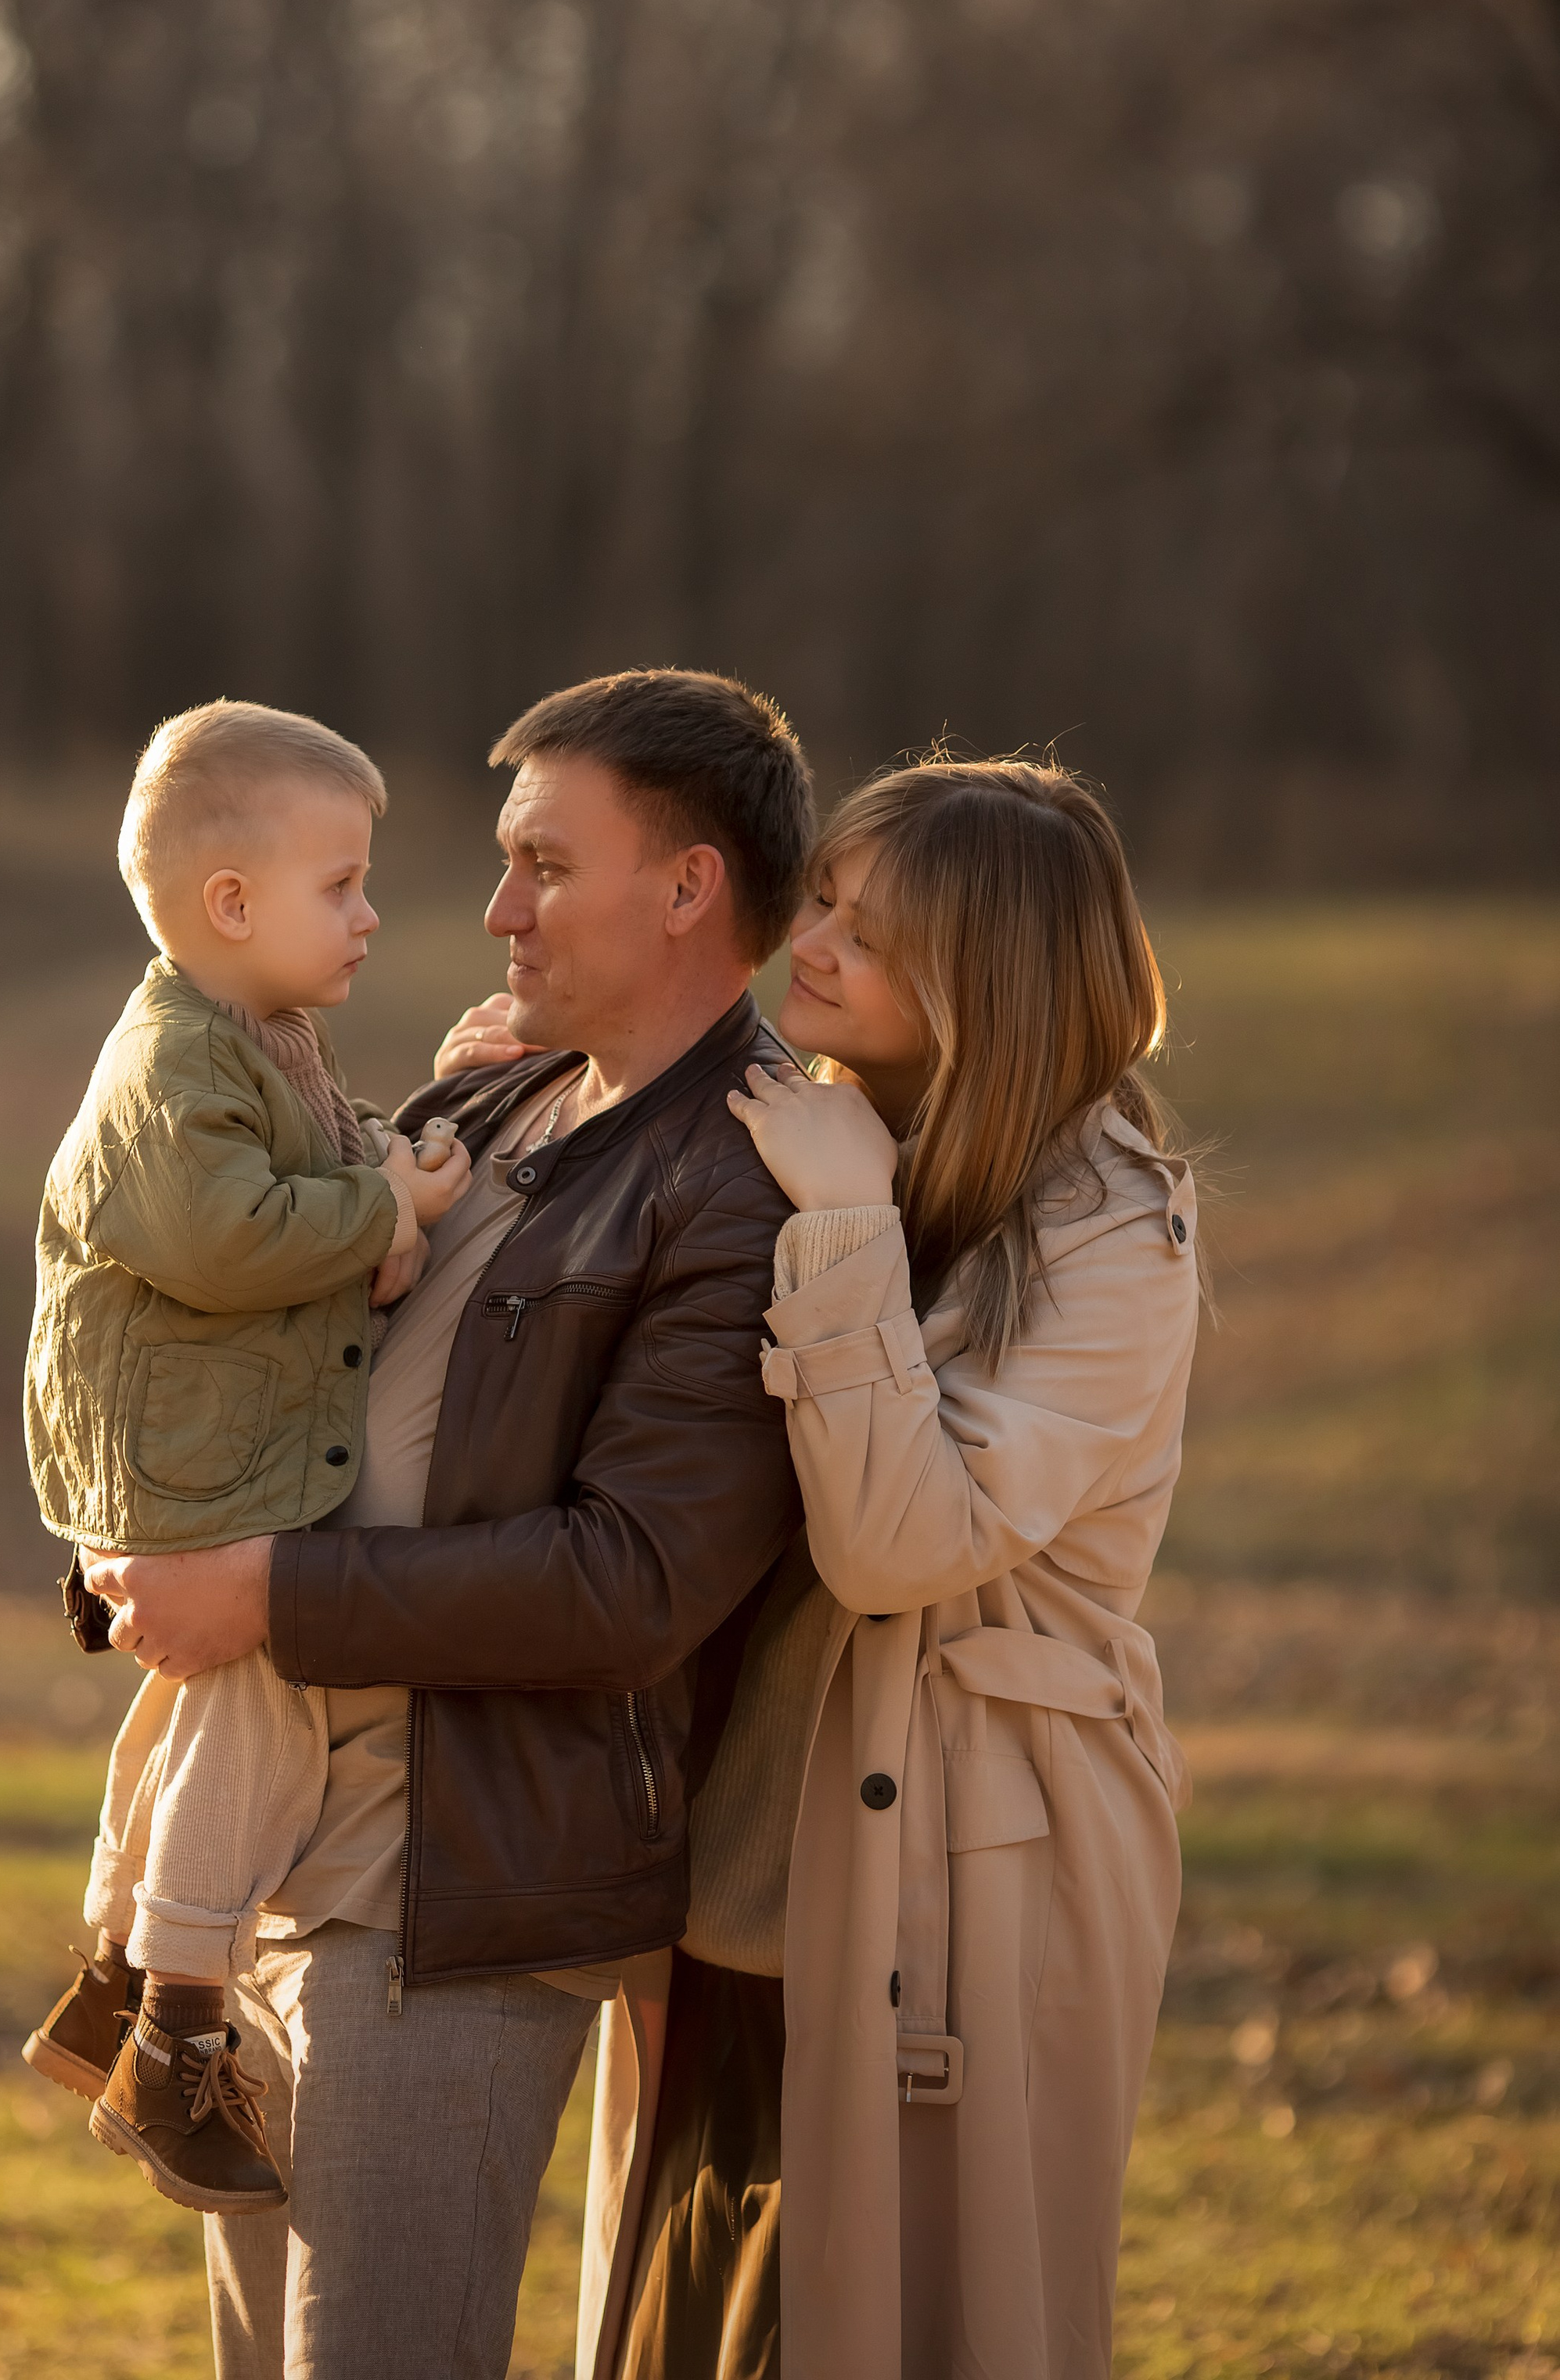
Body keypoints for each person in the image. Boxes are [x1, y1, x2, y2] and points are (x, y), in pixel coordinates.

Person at [81, 668, 816, 2380]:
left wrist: (264, 1592)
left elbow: (629, 1584)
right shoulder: (490, 1103)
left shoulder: (745, 1179)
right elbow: (271, 1353)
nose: (492, 909)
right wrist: (143, 1549)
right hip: (273, 1856)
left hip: (455, 1894)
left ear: (688, 888)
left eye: (544, 866)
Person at [579, 755, 1204, 2380]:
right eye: (830, 893)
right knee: (692, 2321)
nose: (818, 936)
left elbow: (899, 1546)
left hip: (964, 1860)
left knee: (908, 2320)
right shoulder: (839, 1126)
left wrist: (848, 1232)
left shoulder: (1109, 1237)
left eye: (872, 920)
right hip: (738, 1857)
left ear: (981, 973)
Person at [21, 698, 473, 2213]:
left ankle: (116, 1973)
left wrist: (387, 1194)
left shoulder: (266, 1040)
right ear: (230, 905)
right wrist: (387, 1215)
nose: (368, 914)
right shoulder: (170, 1064)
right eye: (339, 884)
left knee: (199, 1701)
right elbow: (226, 1237)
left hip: (214, 1440)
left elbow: (323, 1200)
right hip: (182, 1455)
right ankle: (181, 2030)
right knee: (267, 1693)